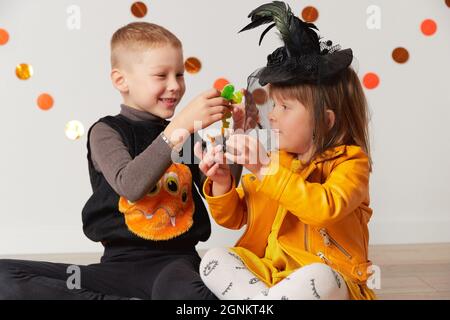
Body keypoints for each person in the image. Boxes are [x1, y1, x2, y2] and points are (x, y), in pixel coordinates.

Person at [0, 22, 242, 300]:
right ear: (120, 81)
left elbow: (221, 189)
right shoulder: (106, 132)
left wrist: (236, 135)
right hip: (116, 270)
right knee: (4, 276)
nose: (175, 86)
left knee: (182, 292)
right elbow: (130, 184)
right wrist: (179, 128)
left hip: (175, 266)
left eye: (179, 75)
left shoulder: (185, 135)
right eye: (161, 75)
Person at [195, 1, 376, 300]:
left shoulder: (352, 164)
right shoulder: (277, 159)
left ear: (325, 120)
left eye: (285, 107)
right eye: (274, 104)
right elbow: (236, 217)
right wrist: (224, 183)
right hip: (271, 275)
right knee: (213, 259)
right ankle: (266, 302)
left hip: (331, 275)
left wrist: (265, 170)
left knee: (319, 279)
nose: (273, 115)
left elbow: (323, 208)